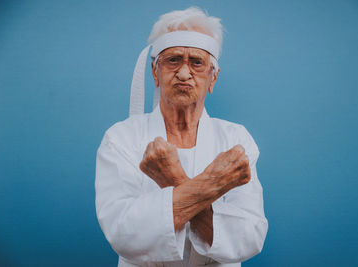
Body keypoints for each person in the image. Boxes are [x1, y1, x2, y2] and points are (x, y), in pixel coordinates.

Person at [95, 7, 268, 267]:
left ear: (213, 77)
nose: (184, 73)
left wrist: (172, 179)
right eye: (173, 60)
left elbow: (250, 237)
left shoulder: (235, 140)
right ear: (155, 72)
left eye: (196, 62)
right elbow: (122, 232)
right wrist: (213, 184)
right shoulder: (122, 138)